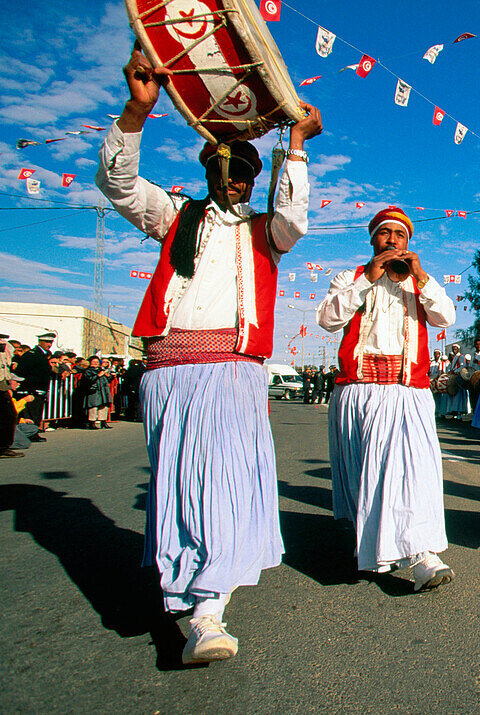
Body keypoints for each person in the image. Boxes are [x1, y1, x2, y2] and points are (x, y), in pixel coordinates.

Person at [95, 47, 322, 664]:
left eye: (246, 172)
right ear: (207, 173)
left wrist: (296, 144)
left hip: (232, 373)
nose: (234, 180)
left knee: (220, 486)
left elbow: (297, 216)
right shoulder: (175, 217)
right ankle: (185, 593)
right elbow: (117, 184)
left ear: (255, 178)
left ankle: (207, 611)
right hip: (170, 372)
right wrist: (137, 112)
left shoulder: (267, 230)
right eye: (224, 170)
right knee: (177, 487)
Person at [317, 206, 457, 591]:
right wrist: (368, 278)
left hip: (407, 393)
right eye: (385, 234)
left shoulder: (420, 283)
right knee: (373, 477)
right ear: (373, 240)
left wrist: (422, 277)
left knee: (415, 473)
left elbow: (447, 317)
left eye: (400, 235)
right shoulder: (351, 277)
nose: (393, 240)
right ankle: (375, 547)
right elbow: (328, 319)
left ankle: (422, 554)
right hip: (360, 392)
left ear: (409, 243)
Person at [13, 331, 55, 430]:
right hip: (32, 389)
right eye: (46, 342)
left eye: (50, 342)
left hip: (39, 389)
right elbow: (22, 372)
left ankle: (34, 431)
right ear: (40, 342)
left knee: (37, 413)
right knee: (31, 414)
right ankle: (30, 432)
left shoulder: (43, 355)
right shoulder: (31, 354)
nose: (49, 345)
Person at [82, 356, 113, 429]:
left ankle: (103, 421)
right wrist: (98, 375)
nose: (96, 363)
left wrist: (109, 376)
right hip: (94, 390)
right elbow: (88, 380)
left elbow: (109, 380)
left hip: (103, 390)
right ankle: (92, 422)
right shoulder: (88, 371)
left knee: (103, 405)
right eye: (94, 362)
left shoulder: (101, 369)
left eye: (97, 362)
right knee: (93, 406)